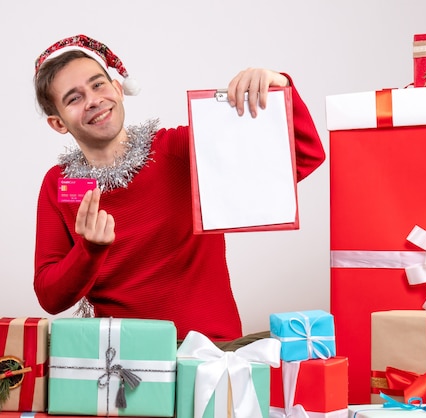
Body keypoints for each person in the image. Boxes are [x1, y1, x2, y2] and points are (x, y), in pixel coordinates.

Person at [33, 34, 325, 342]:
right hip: (124, 361)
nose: (92, 100)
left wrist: (279, 85)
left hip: (211, 350)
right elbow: (50, 297)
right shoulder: (62, 186)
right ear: (58, 123)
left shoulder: (179, 149)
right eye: (73, 98)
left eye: (97, 84)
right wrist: (89, 251)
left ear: (118, 89)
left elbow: (305, 157)